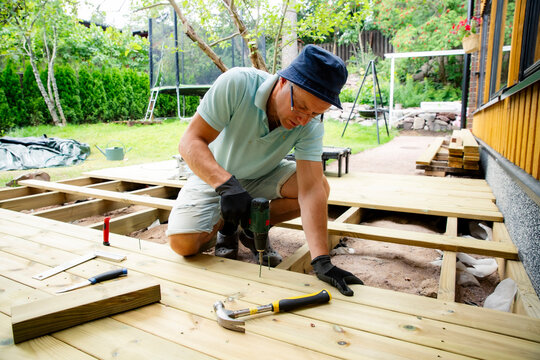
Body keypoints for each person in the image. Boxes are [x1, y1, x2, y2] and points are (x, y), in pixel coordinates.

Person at [167, 45, 363, 296]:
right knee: (183, 243)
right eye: (301, 107)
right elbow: (190, 141)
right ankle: (226, 225)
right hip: (214, 174)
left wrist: (321, 260)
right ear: (283, 81)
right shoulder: (236, 84)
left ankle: (246, 226)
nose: (304, 120)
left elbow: (311, 189)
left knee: (321, 185)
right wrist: (226, 185)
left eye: (315, 113)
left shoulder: (310, 124)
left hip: (264, 174)